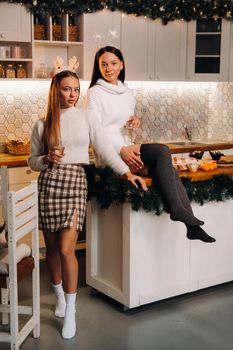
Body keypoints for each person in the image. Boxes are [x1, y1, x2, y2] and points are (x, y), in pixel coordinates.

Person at [28, 65, 147, 339]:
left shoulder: (86, 117)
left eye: (76, 90)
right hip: (49, 186)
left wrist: (126, 172)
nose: (72, 94)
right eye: (67, 89)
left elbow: (104, 146)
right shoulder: (41, 125)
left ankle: (70, 309)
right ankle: (58, 294)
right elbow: (31, 161)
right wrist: (45, 160)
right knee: (54, 249)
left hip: (75, 184)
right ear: (55, 90)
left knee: (68, 249)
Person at [85, 45, 216, 243]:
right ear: (98, 66)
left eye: (113, 63)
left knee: (170, 171)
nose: (108, 68)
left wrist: (132, 123)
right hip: (111, 157)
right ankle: (179, 212)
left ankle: (191, 227)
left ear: (121, 65)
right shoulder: (94, 93)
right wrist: (121, 149)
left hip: (127, 150)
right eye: (103, 64)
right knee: (162, 150)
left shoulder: (126, 92)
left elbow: (120, 127)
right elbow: (96, 133)